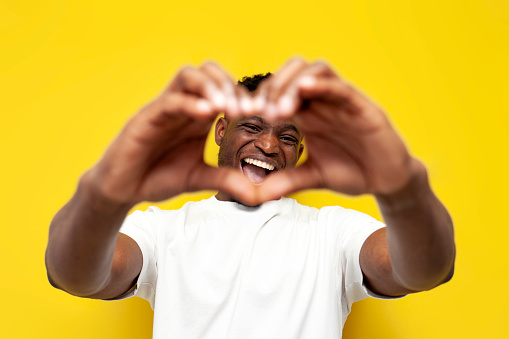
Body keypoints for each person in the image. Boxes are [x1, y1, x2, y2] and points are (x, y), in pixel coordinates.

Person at [45, 58, 455, 338]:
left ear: (300, 152)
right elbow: (72, 275)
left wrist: (402, 187)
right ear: (222, 131)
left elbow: (424, 270)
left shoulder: (332, 231)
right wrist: (105, 193)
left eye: (288, 136)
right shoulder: (163, 229)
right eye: (253, 127)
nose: (270, 145)